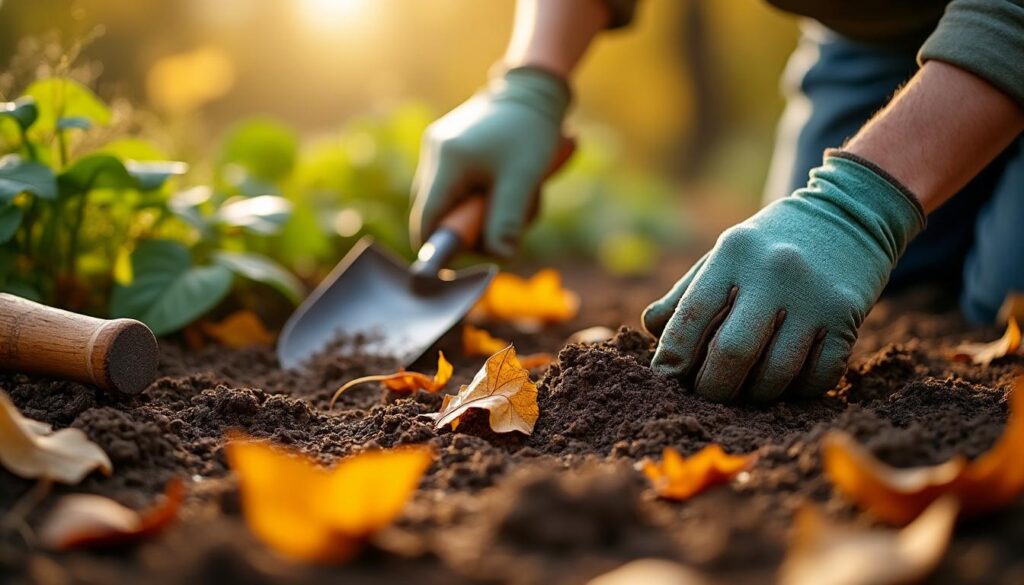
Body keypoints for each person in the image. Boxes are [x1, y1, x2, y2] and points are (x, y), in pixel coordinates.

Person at [409, 0, 1024, 403]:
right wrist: (532, 82)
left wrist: (860, 204)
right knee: (824, 292)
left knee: (1004, 293)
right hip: (871, 27)